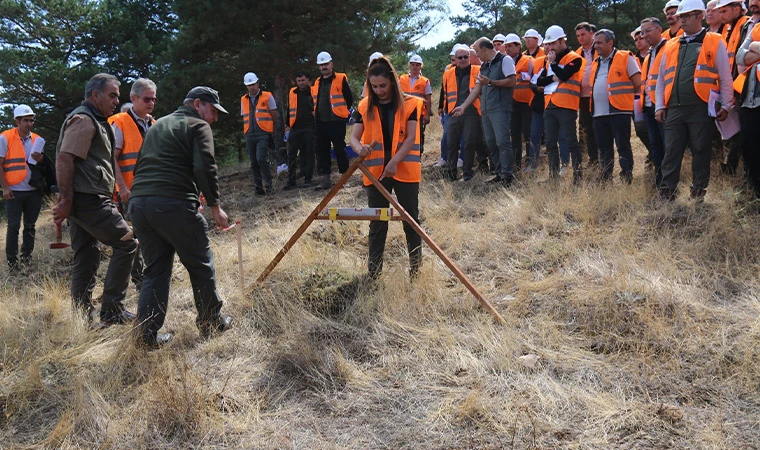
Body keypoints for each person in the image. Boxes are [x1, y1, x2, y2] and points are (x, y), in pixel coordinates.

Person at [128, 86, 233, 349]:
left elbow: (144, 163)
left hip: (140, 205)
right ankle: (211, 322)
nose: (215, 118)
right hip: (172, 205)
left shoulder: (156, 125)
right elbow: (204, 166)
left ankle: (145, 337)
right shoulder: (197, 125)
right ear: (197, 104)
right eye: (213, 111)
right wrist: (215, 206)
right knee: (200, 264)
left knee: (155, 271)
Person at [52, 73, 138, 324]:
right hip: (88, 199)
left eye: (117, 96)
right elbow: (65, 158)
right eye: (112, 95)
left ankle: (82, 315)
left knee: (87, 254)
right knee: (128, 243)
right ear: (94, 95)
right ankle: (112, 311)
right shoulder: (84, 120)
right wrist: (66, 199)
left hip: (85, 197)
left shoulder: (96, 119)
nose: (116, 101)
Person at [349, 57, 421, 280]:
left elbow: (410, 138)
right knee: (378, 223)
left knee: (411, 221)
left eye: (383, 86)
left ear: (391, 81)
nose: (378, 91)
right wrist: (359, 149)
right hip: (375, 173)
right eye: (374, 86)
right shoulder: (364, 105)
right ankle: (373, 275)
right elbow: (353, 138)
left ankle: (416, 272)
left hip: (404, 170)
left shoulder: (410, 104)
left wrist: (394, 162)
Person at [655, 0, 734, 201]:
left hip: (700, 106)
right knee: (671, 151)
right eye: (680, 16)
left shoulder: (714, 40)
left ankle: (698, 193)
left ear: (700, 16)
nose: (681, 20)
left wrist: (726, 104)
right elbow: (662, 79)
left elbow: (725, 76)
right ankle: (667, 194)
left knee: (700, 149)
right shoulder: (671, 44)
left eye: (686, 16)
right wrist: (660, 105)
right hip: (674, 108)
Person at [107, 77, 156, 291]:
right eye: (147, 99)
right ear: (133, 98)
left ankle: (151, 274)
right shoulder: (119, 122)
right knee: (133, 237)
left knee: (152, 235)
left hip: (153, 191)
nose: (151, 103)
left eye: (154, 99)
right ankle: (139, 280)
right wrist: (122, 187)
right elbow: (111, 158)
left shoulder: (153, 123)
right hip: (130, 193)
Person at [453, 37, 517, 185]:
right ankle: (499, 173)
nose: (475, 55)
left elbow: (512, 81)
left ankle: (507, 175)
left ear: (484, 50)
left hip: (500, 108)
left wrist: (491, 82)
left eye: (476, 51)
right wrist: (463, 106)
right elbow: (477, 89)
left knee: (502, 142)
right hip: (486, 110)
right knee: (491, 142)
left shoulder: (505, 60)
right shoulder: (484, 66)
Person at [589, 29, 642, 183]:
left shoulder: (625, 57)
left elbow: (638, 83)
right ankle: (605, 178)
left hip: (619, 111)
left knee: (623, 146)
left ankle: (626, 177)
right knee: (604, 148)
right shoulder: (595, 63)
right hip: (599, 114)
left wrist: (622, 99)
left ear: (610, 43)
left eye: (599, 42)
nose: (596, 46)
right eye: (595, 43)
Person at [537, 26, 585, 182]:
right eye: (548, 44)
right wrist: (553, 76)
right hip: (549, 105)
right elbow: (539, 81)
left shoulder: (574, 58)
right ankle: (553, 176)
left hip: (566, 106)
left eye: (553, 43)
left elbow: (564, 75)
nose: (550, 47)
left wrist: (553, 66)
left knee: (571, 141)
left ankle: (578, 177)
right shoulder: (550, 61)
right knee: (550, 143)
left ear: (562, 40)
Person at [0, 105, 44, 269]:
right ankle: (12, 261)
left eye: (31, 120)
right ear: (17, 121)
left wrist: (41, 160)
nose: (29, 123)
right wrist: (5, 187)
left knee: (30, 226)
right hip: (14, 191)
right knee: (13, 226)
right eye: (25, 120)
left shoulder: (38, 140)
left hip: (33, 192)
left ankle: (26, 257)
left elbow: (42, 167)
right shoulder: (5, 138)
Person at [442, 45, 486, 181]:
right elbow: (445, 93)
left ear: (470, 57)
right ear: (454, 59)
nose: (462, 60)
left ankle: (467, 172)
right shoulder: (448, 73)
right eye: (459, 57)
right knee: (451, 143)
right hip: (453, 112)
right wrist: (443, 109)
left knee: (468, 142)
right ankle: (451, 173)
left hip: (471, 111)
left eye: (465, 57)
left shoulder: (478, 70)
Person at [717, 0, 751, 175]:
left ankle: (735, 167)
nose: (720, 15)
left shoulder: (746, 24)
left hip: (742, 86)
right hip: (734, 86)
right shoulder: (728, 29)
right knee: (737, 130)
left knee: (743, 130)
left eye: (724, 11)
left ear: (736, 9)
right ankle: (733, 165)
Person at [313, 51, 354, 190]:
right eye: (321, 65)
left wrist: (342, 113)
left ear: (331, 64)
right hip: (321, 122)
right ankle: (325, 179)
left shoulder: (341, 78)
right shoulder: (317, 82)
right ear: (319, 67)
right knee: (322, 150)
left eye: (326, 64)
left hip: (337, 121)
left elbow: (349, 98)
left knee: (339, 149)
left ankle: (344, 178)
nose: (324, 67)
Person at [640, 17, 669, 187]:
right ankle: (659, 181)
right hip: (649, 106)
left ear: (659, 29)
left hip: (663, 106)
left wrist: (662, 104)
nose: (644, 35)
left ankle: (668, 183)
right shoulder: (650, 53)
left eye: (648, 31)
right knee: (655, 145)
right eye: (642, 32)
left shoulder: (669, 48)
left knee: (666, 146)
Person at [735, 6, 760, 198]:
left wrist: (755, 47)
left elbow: (748, 52)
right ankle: (755, 194)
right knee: (749, 147)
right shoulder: (756, 28)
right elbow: (740, 56)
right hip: (750, 100)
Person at [241, 72, 278, 194]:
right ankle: (259, 188)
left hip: (263, 133)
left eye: (253, 84)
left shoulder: (267, 96)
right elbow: (245, 116)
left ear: (258, 83)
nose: (251, 87)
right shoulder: (244, 99)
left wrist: (269, 128)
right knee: (253, 162)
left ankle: (269, 186)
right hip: (249, 134)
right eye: (249, 85)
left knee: (261, 158)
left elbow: (274, 114)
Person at [505, 33, 534, 172]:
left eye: (510, 46)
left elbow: (534, 78)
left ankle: (530, 162)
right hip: (512, 104)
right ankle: (516, 164)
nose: (507, 49)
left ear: (518, 46)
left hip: (527, 104)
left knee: (528, 134)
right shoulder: (505, 61)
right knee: (515, 135)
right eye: (506, 46)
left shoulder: (528, 60)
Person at [284, 71, 315, 190]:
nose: (301, 83)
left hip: (309, 127)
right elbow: (289, 109)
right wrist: (287, 124)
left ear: (307, 80)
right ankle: (291, 180)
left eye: (303, 80)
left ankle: (308, 178)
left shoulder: (313, 91)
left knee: (309, 152)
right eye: (299, 81)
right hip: (295, 127)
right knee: (291, 154)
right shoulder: (293, 92)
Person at [399, 54, 432, 156]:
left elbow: (428, 99)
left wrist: (427, 115)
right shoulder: (401, 79)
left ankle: (418, 155)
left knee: (418, 135)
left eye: (417, 65)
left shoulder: (425, 81)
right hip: (403, 113)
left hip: (418, 114)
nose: (415, 67)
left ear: (420, 67)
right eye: (413, 65)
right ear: (409, 66)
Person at [576, 22, 598, 170]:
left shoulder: (600, 47)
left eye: (583, 34)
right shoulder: (577, 53)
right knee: (588, 130)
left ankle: (604, 158)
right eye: (578, 36)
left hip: (599, 96)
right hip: (583, 97)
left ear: (591, 33)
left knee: (601, 128)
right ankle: (594, 159)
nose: (580, 38)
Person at [631, 27, 653, 162]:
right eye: (636, 40)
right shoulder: (633, 59)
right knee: (640, 129)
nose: (638, 42)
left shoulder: (657, 54)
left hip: (656, 98)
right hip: (638, 99)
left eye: (641, 38)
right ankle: (653, 152)